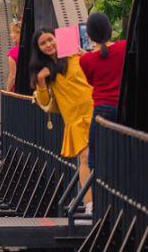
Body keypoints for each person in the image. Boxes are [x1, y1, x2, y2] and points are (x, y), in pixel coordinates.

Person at [29, 27, 94, 210]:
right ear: (38, 48)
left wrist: (87, 55)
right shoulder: (44, 71)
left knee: (103, 158)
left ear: (57, 38)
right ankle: (90, 205)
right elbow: (44, 102)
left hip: (95, 112)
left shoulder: (76, 57)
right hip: (74, 120)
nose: (48, 45)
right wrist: (41, 81)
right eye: (43, 43)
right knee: (85, 158)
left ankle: (105, 200)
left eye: (50, 39)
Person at [75, 12, 126, 170]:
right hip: (124, 106)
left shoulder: (85, 60)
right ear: (109, 29)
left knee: (96, 158)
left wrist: (88, 55)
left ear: (89, 35)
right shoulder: (124, 46)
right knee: (123, 152)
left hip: (102, 110)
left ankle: (100, 191)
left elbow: (92, 82)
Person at [4, 20, 21, 92]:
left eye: (12, 33)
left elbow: (13, 75)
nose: (11, 35)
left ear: (19, 34)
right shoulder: (34, 49)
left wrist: (7, 91)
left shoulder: (13, 52)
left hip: (19, 89)